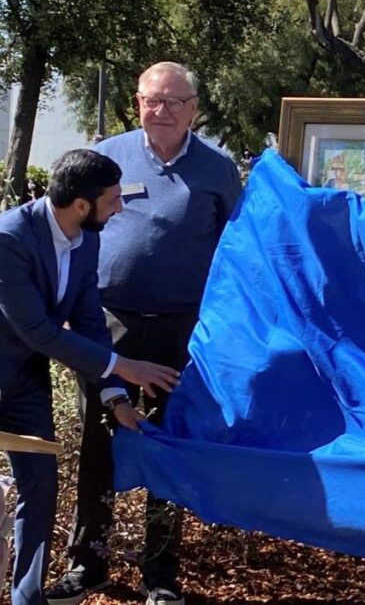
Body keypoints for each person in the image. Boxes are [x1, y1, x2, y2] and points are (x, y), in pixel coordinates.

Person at [48, 63, 241, 605]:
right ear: (137, 102)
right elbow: (73, 232)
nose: (163, 111)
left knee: (167, 445)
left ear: (194, 109)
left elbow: (235, 250)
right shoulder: (107, 157)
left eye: (175, 103)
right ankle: (89, 565)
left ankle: (160, 575)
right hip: (106, 324)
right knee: (98, 446)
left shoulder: (218, 170)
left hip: (182, 331)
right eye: (153, 101)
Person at [0, 149, 179, 605]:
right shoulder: (9, 238)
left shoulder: (87, 237)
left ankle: (27, 597)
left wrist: (117, 396)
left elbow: (88, 322)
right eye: (113, 199)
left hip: (23, 386)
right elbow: (38, 330)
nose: (119, 207)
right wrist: (125, 366)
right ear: (81, 203)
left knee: (39, 488)